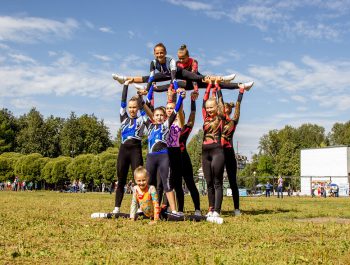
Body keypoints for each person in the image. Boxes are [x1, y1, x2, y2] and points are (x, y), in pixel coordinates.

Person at [91, 166, 223, 224]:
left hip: (159, 213)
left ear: (147, 179)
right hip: (145, 213)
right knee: (125, 216)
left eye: (144, 180)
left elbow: (155, 203)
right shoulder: (136, 189)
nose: (141, 183)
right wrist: (132, 217)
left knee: (179, 218)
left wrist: (155, 218)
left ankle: (208, 219)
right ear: (135, 180)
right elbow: (133, 204)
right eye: (139, 180)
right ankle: (104, 215)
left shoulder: (152, 188)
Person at [113, 43, 237, 94]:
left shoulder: (175, 62)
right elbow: (150, 77)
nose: (159, 55)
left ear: (165, 52)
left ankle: (224, 79)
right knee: (151, 81)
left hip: (183, 75)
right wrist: (147, 89)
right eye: (157, 53)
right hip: (178, 79)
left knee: (202, 78)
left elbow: (177, 77)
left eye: (162, 53)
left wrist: (195, 90)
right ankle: (124, 79)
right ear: (154, 53)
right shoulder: (154, 62)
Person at [140, 84, 186, 214]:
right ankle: (144, 208)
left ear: (165, 117)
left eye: (161, 115)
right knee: (148, 183)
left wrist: (181, 98)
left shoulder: (166, 124)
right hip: (151, 157)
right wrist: (140, 97)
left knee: (167, 184)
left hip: (164, 157)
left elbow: (176, 111)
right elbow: (142, 110)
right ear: (153, 117)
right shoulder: (149, 126)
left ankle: (174, 210)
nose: (159, 117)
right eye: (157, 115)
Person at [113, 79, 146, 214]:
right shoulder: (123, 117)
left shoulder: (141, 119)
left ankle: (140, 208)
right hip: (123, 150)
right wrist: (125, 85)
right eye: (130, 107)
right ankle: (117, 207)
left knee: (138, 180)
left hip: (135, 150)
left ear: (138, 108)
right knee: (121, 179)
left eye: (134, 107)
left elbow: (145, 106)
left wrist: (141, 95)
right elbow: (122, 101)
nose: (132, 109)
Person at [219, 83, 247, 216]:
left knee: (232, 181)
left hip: (228, 151)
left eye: (226, 108)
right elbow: (219, 102)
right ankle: (215, 209)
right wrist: (217, 88)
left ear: (228, 110)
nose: (225, 109)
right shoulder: (219, 119)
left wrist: (241, 92)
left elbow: (238, 107)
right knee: (217, 180)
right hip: (218, 151)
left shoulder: (233, 120)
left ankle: (237, 209)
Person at [201, 81, 226, 217]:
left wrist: (217, 87)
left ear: (217, 107)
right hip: (205, 152)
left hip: (217, 151)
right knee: (208, 182)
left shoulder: (220, 117)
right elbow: (203, 101)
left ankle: (217, 210)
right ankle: (210, 209)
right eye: (208, 108)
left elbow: (222, 103)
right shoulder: (205, 117)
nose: (209, 110)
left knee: (217, 182)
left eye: (212, 107)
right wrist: (208, 86)